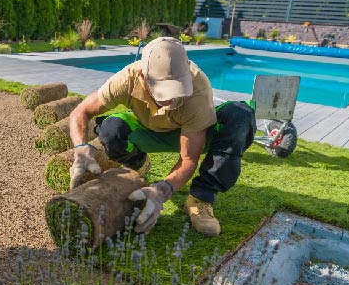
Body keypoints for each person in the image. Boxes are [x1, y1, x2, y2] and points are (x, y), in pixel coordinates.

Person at [68, 37, 256, 237]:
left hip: (195, 133)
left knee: (241, 116)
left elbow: (188, 158)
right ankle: (137, 163)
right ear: (142, 77)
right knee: (110, 129)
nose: (170, 99)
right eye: (163, 90)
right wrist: (80, 147)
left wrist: (163, 190)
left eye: (177, 89)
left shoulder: (198, 87)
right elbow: (80, 112)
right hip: (150, 128)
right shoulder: (127, 79)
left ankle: (201, 198)